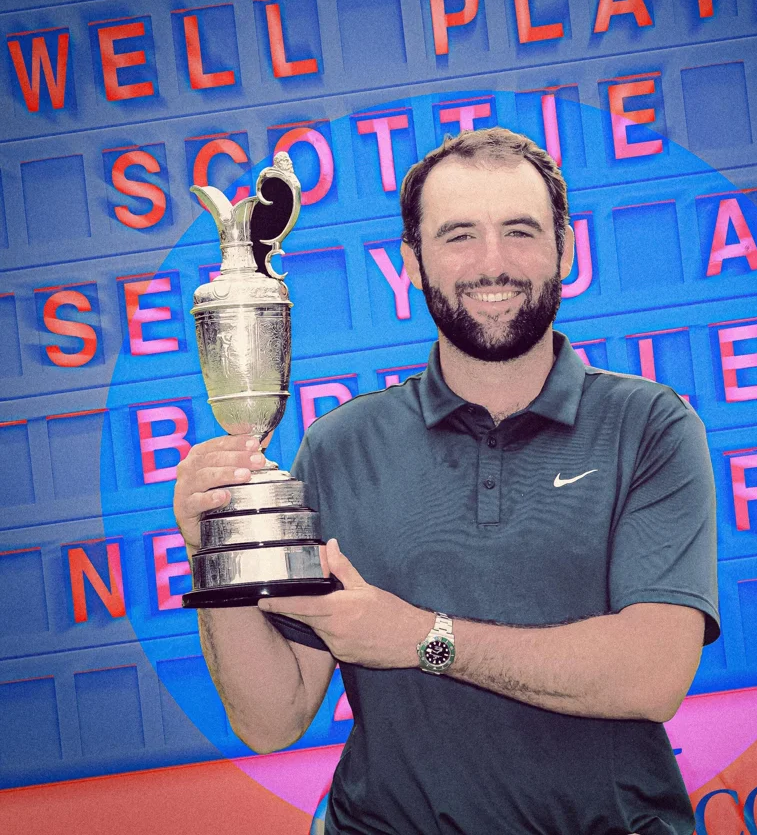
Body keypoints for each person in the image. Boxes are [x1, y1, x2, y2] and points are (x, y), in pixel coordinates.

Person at [174, 127, 720, 834]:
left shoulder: (650, 426)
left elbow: (654, 674)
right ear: (413, 261)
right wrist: (214, 546)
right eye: (459, 236)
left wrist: (421, 639)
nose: (493, 263)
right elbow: (271, 719)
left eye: (519, 232)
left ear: (565, 249)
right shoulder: (340, 447)